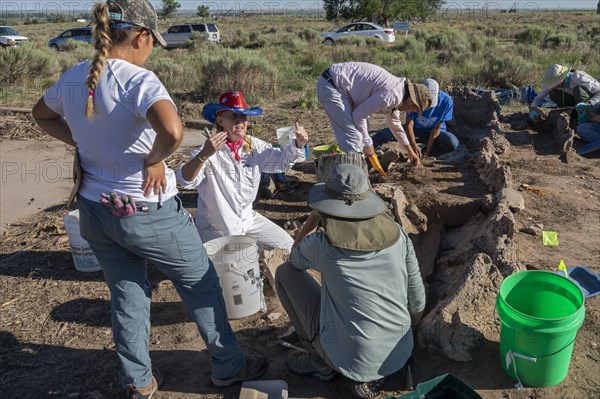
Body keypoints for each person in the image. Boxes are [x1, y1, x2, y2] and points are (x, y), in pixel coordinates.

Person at [31, 1, 267, 397]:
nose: (152, 49)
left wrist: (83, 143)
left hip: (95, 209)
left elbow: (41, 115)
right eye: (152, 42)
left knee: (126, 293)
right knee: (201, 282)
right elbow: (172, 131)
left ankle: (138, 380)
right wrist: (154, 158)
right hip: (147, 209)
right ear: (141, 36)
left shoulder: (73, 77)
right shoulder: (138, 79)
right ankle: (228, 365)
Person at [275, 164, 426, 399]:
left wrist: (315, 216)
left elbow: (294, 258)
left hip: (354, 360)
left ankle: (320, 360)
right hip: (401, 349)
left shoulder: (321, 245)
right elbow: (417, 301)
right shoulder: (397, 234)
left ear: (327, 205)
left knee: (284, 273)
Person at [176, 91, 308, 251]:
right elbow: (186, 180)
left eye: (243, 116)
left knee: (287, 247)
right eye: (233, 116)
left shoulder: (255, 146)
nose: (240, 121)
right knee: (237, 262)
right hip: (216, 226)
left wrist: (298, 144)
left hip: (247, 219)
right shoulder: (208, 150)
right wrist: (204, 154)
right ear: (220, 120)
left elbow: (280, 162)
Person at [317, 61, 433, 164]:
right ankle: (352, 180)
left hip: (339, 86)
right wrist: (368, 143)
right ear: (411, 101)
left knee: (363, 131)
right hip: (332, 85)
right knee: (354, 138)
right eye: (414, 109)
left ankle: (356, 168)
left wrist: (410, 151)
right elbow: (358, 115)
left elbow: (395, 125)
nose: (412, 111)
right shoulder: (392, 95)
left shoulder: (399, 94)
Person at [371, 79, 458, 163]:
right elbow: (409, 124)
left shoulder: (447, 102)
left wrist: (427, 152)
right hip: (416, 130)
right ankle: (365, 150)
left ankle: (424, 154)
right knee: (387, 133)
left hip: (433, 134)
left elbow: (437, 128)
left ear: (438, 94)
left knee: (452, 142)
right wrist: (413, 146)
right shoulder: (414, 99)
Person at [529, 64, 600, 123]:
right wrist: (533, 109)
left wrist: (588, 103)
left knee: (578, 90)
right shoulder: (555, 84)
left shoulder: (579, 78)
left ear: (562, 78)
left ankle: (588, 118)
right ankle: (575, 116)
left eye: (556, 83)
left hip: (593, 105)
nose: (554, 85)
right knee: (553, 93)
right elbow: (540, 96)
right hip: (577, 105)